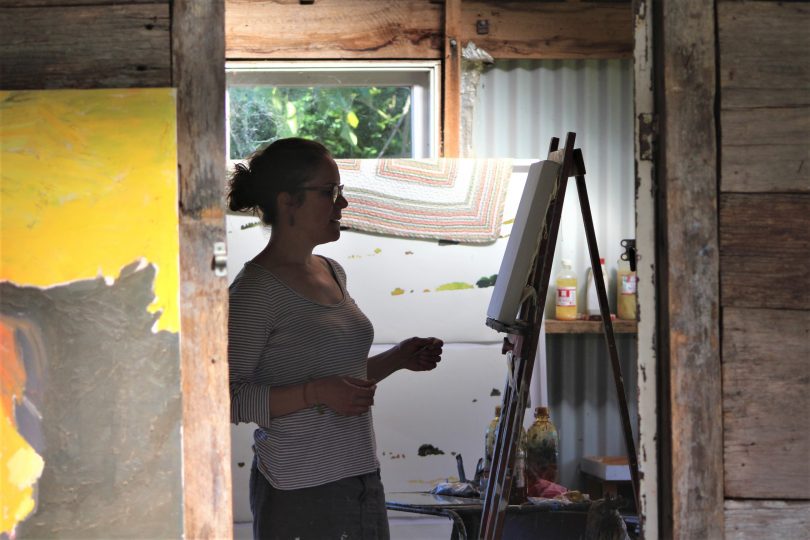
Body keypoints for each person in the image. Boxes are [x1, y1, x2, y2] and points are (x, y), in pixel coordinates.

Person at [227, 137, 443, 540]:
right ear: (287, 201)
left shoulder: (332, 270)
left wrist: (397, 358)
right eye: (329, 192)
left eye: (338, 192)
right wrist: (315, 393)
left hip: (360, 477)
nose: (341, 204)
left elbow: (338, 377)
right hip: (298, 490)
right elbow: (227, 398)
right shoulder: (255, 291)